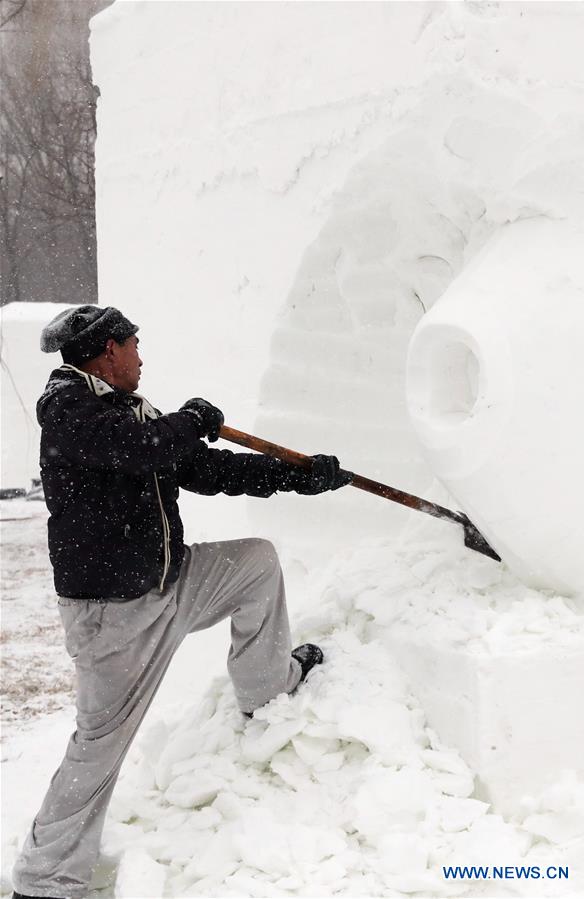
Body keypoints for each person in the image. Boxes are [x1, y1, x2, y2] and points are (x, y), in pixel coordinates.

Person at [12, 305, 353, 899]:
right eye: (135, 346)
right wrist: (188, 419)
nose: (142, 358)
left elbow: (205, 469)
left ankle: (266, 687)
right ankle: (45, 880)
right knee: (99, 748)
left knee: (256, 562)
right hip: (113, 615)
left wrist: (296, 475)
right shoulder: (68, 409)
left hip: (173, 580)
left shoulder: (131, 413)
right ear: (108, 350)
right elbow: (141, 448)